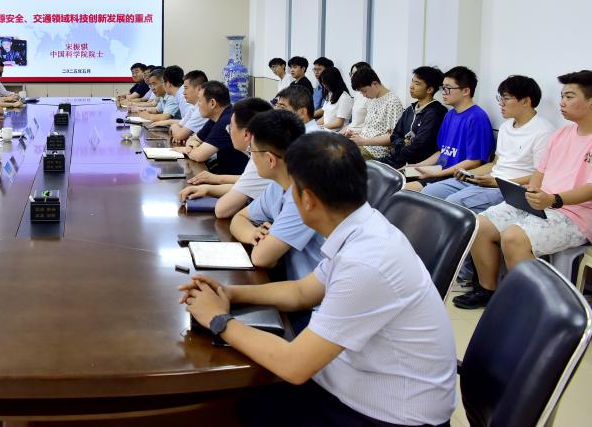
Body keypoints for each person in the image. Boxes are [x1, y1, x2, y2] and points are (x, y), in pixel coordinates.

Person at [179, 133, 456, 427]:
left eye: (291, 190)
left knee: (226, 409)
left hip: (387, 416)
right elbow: (301, 292)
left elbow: (294, 365)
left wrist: (219, 320)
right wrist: (230, 293)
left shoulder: (366, 261)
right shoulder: (362, 226)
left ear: (307, 199)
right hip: (350, 381)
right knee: (242, 398)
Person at [454, 70, 592, 310]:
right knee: (480, 225)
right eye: (562, 96)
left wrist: (554, 199)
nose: (562, 102)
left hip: (576, 214)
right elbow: (540, 171)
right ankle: (488, 290)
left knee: (513, 237)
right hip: (543, 203)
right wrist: (532, 192)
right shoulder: (562, 134)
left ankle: (532, 308)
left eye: (569, 97)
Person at [423, 75, 554, 214]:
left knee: (453, 202)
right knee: (429, 191)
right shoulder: (505, 126)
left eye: (506, 98)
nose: (501, 104)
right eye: (500, 98)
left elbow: (540, 175)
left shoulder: (543, 131)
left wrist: (497, 182)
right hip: (490, 180)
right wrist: (469, 174)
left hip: (510, 189)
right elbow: (494, 164)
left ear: (526, 101)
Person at [229, 110, 325, 288]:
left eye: (252, 150)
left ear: (270, 159)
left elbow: (261, 258)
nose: (251, 157)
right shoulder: (279, 184)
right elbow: (239, 218)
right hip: (291, 285)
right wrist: (253, 234)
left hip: (313, 297)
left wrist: (264, 244)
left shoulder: (306, 195)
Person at [179, 97, 274, 218]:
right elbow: (243, 187)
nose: (228, 131)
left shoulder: (261, 158)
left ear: (246, 134)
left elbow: (222, 210)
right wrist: (207, 189)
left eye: (230, 127)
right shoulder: (260, 150)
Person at [404, 66, 493, 189]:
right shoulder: (450, 115)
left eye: (448, 88)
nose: (443, 93)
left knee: (401, 190)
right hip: (439, 170)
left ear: (465, 91)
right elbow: (442, 152)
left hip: (454, 177)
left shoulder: (477, 118)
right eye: (443, 88)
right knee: (394, 177)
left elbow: (474, 161)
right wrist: (418, 166)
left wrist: (437, 173)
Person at [375, 66, 447, 169]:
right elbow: (395, 136)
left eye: (417, 83)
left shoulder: (434, 113)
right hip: (398, 159)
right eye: (412, 81)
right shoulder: (410, 109)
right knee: (365, 165)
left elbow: (419, 147)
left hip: (415, 165)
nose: (411, 86)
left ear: (430, 89)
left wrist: (402, 146)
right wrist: (403, 144)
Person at [176, 81, 248, 175]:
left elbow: (199, 156)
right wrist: (191, 147)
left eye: (199, 100)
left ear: (212, 103)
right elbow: (194, 139)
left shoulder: (227, 121)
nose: (198, 105)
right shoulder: (216, 117)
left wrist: (186, 150)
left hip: (234, 178)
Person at [344, 67, 406, 159]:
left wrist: (363, 141)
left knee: (337, 157)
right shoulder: (373, 100)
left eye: (364, 91)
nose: (364, 95)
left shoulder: (392, 102)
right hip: (363, 145)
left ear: (374, 84)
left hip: (375, 151)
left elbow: (393, 137)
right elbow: (371, 129)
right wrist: (355, 135)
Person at [170, 70, 209, 145]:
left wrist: (174, 127)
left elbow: (179, 135)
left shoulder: (202, 110)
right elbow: (180, 125)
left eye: (186, 88)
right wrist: (176, 128)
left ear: (199, 89)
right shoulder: (193, 107)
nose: (183, 92)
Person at [318, 66, 353, 131]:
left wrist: (321, 127)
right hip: (326, 130)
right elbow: (324, 118)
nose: (324, 85)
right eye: (323, 83)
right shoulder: (330, 94)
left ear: (333, 82)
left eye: (325, 83)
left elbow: (339, 123)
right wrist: (314, 125)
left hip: (336, 133)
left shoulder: (344, 97)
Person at [345, 61, 371, 133]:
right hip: (350, 130)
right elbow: (354, 123)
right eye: (351, 74)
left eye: (354, 74)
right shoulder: (357, 94)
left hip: (359, 134)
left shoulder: (371, 96)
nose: (352, 77)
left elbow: (369, 126)